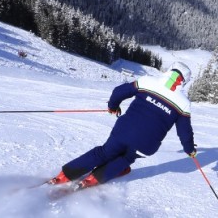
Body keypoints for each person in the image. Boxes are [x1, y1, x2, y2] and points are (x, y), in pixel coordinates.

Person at [48, 61, 196, 189]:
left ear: (169, 71)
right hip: (147, 145)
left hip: (124, 131)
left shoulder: (147, 82)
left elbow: (119, 91)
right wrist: (190, 150)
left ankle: (65, 175)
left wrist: (113, 106)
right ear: (184, 81)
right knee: (126, 159)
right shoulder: (183, 103)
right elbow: (185, 133)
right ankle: (95, 178)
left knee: (104, 152)